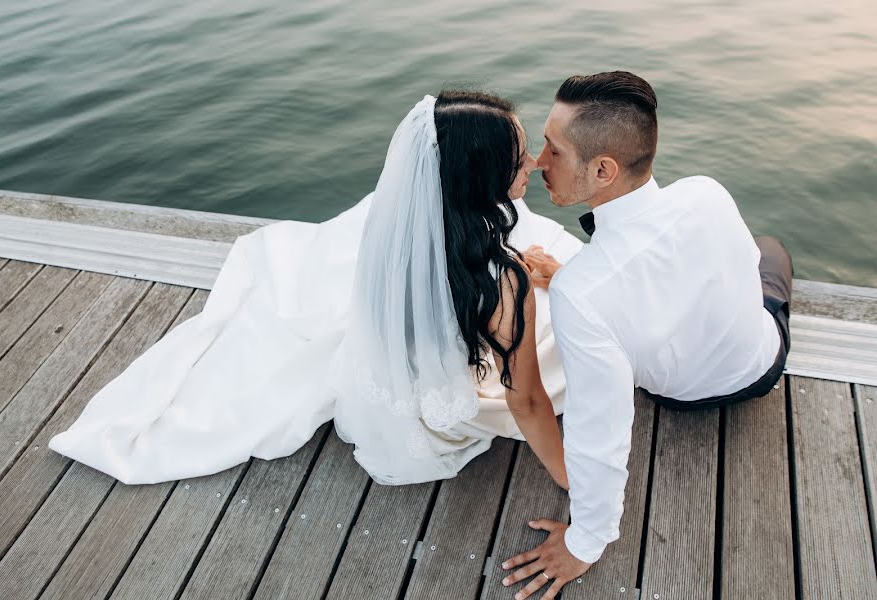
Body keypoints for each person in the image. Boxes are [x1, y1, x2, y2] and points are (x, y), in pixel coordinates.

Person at [49, 91, 584, 491]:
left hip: (397, 383)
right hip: (445, 409)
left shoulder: (403, 222)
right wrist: (573, 484)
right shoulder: (501, 279)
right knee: (573, 338)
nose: (534, 164)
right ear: (480, 176)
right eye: (518, 162)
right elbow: (529, 401)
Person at [499, 71, 793, 600]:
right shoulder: (706, 193)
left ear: (603, 170)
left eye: (553, 149)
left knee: (764, 260)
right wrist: (573, 275)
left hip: (688, 396)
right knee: (768, 252)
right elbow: (731, 268)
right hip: (762, 357)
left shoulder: (583, 297)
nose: (538, 161)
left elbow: (601, 435)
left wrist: (585, 542)